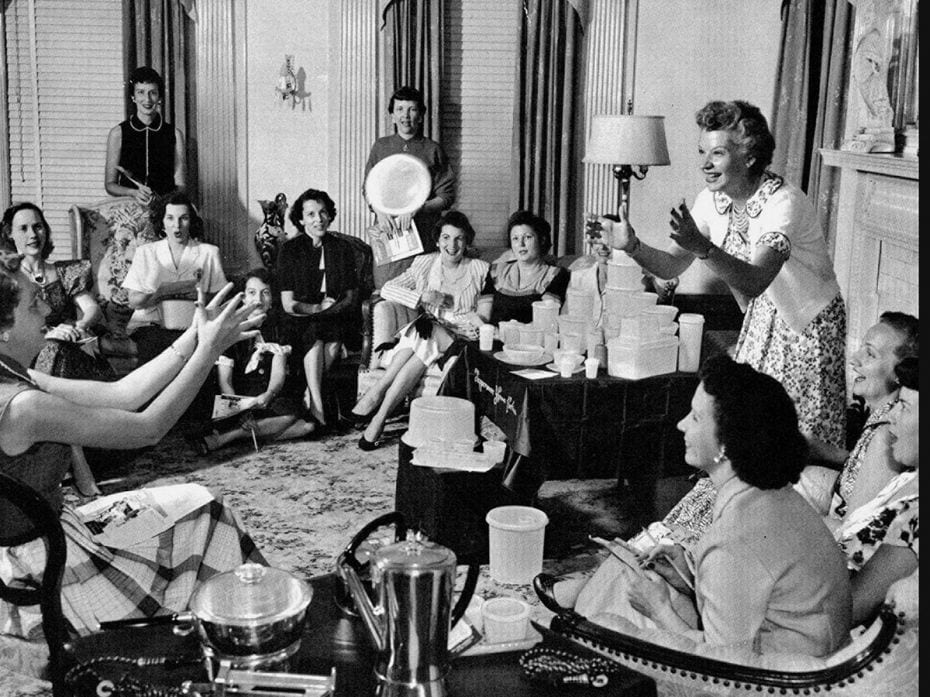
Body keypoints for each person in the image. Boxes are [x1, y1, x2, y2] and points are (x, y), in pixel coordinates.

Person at [0, 255, 266, 637]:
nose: (46, 306)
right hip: (40, 566)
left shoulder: (11, 374)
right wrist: (208, 353)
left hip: (43, 538)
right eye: (32, 303)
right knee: (209, 512)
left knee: (199, 502)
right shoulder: (24, 408)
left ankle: (231, 633)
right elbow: (148, 428)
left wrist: (193, 335)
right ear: (3, 329)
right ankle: (251, 636)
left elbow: (123, 394)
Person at [537, 355, 852, 657]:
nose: (681, 425)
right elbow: (758, 591)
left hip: (779, 679)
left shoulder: (734, 538)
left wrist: (659, 610)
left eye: (696, 417)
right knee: (630, 571)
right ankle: (576, 622)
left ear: (727, 443)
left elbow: (722, 668)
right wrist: (688, 575)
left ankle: (576, 643)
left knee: (615, 607)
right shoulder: (774, 495)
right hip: (801, 655)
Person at [590, 100, 846, 449]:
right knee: (750, 426)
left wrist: (701, 246)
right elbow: (670, 265)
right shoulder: (712, 200)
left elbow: (755, 281)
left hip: (809, 324)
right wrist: (633, 246)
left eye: (718, 154)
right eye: (702, 153)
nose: (705, 165)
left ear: (750, 157)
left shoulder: (783, 202)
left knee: (800, 436)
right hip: (762, 317)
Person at [348, 211, 492, 450]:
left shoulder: (480, 269)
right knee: (424, 336)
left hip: (459, 338)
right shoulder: (425, 263)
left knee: (425, 330)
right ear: (437, 240)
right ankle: (378, 419)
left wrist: (475, 321)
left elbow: (483, 318)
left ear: (467, 242)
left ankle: (377, 394)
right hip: (426, 334)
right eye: (446, 237)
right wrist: (421, 296)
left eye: (459, 238)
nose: (452, 245)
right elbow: (387, 289)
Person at [2, 202, 113, 497]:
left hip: (73, 356)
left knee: (56, 350)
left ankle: (75, 465)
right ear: (10, 236)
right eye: (23, 228)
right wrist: (50, 332)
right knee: (51, 348)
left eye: (37, 226)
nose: (32, 234)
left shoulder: (66, 271)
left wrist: (75, 327)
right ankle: (79, 466)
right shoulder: (9, 280)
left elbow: (91, 311)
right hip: (27, 361)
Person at [796, 312, 918, 527]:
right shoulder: (882, 413)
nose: (854, 359)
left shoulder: (889, 432)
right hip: (838, 497)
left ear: (899, 372)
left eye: (870, 354)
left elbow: (852, 529)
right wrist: (823, 449)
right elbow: (865, 467)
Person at [835, 355, 918, 626]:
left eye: (903, 407)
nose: (890, 416)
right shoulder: (907, 479)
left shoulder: (915, 518)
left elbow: (847, 610)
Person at [197, 268, 316, 452]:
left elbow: (277, 376)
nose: (258, 300)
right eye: (252, 293)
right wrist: (242, 412)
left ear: (271, 299)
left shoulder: (279, 329)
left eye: (265, 293)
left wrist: (268, 395)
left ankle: (232, 437)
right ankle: (244, 431)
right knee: (300, 426)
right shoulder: (230, 329)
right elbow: (225, 381)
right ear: (243, 298)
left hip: (266, 397)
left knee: (307, 424)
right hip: (236, 398)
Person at [276, 188, 359, 429]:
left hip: (337, 317)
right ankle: (318, 404)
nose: (318, 219)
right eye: (310, 214)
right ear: (301, 220)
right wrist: (316, 309)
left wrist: (329, 312)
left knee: (330, 336)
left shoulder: (342, 249)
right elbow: (288, 303)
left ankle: (312, 399)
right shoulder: (289, 250)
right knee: (319, 335)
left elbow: (351, 298)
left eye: (323, 212)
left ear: (330, 215)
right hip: (299, 319)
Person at [122, 192, 228, 366]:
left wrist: (198, 296)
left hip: (193, 324)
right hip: (152, 325)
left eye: (183, 218)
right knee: (155, 349)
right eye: (170, 218)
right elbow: (134, 301)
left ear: (191, 221)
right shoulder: (145, 253)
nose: (176, 226)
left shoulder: (209, 252)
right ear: (162, 222)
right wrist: (161, 293)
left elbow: (219, 298)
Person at [364, 86, 456, 283]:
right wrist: (379, 211)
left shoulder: (432, 150)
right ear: (392, 115)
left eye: (412, 109)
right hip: (388, 233)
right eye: (399, 109)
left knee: (421, 291)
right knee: (386, 291)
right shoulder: (381, 147)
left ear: (421, 115)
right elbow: (368, 189)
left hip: (424, 234)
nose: (405, 116)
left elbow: (446, 196)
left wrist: (417, 208)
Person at [105, 66, 186, 205]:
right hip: (129, 210)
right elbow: (110, 185)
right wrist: (133, 192)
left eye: (152, 93)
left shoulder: (174, 134)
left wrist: (161, 200)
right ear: (133, 97)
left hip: (164, 210)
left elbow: (181, 186)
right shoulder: (118, 133)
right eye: (141, 92)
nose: (147, 99)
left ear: (160, 97)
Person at [489, 211, 570, 325]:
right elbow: (483, 315)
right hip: (492, 338)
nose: (521, 244)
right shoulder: (496, 271)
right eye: (515, 238)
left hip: (530, 339)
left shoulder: (556, 275)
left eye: (527, 237)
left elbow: (547, 321)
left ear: (542, 240)